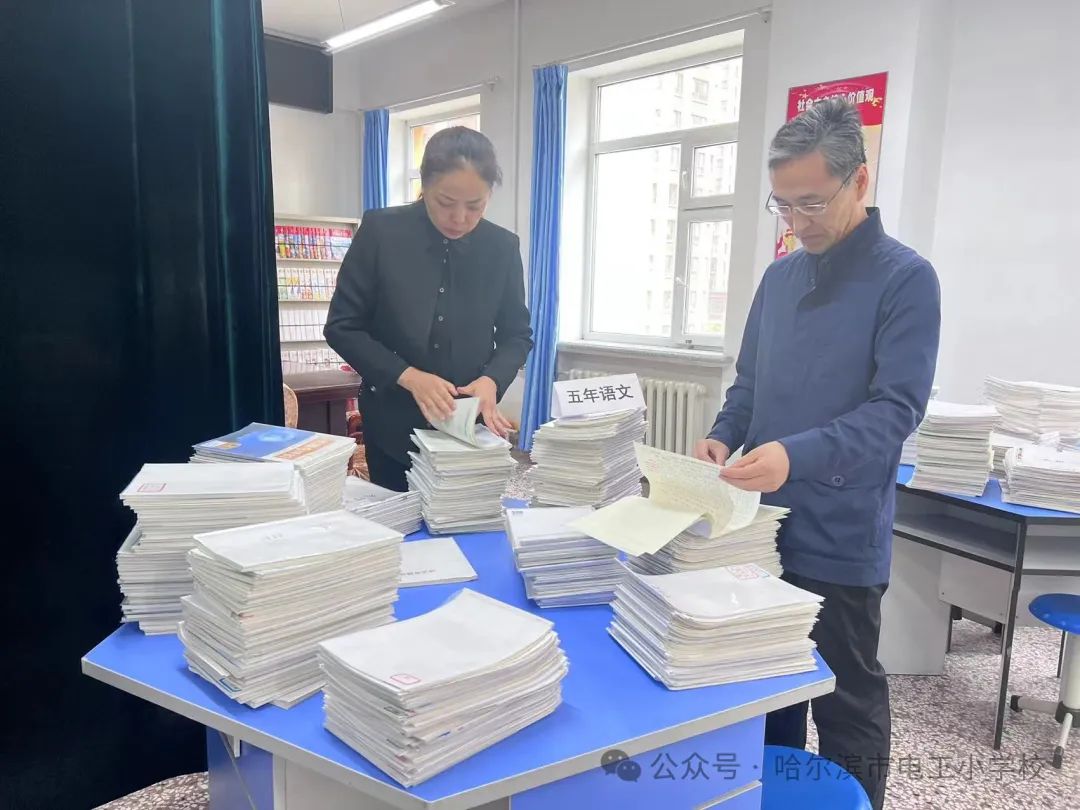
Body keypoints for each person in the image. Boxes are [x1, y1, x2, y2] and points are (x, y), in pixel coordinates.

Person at [693, 98, 940, 809]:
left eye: (811, 203)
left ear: (858, 181)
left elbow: (896, 410)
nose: (797, 223)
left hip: (840, 528)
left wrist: (793, 456)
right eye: (783, 204)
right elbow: (750, 382)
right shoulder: (779, 278)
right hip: (761, 525)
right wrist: (722, 432)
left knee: (844, 696)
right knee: (769, 687)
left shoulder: (905, 279)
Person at [326, 127, 532, 491]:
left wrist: (492, 380)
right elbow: (343, 326)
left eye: (475, 206)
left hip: (467, 426)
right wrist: (408, 375)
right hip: (392, 419)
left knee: (465, 516)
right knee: (396, 517)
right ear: (424, 185)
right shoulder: (381, 232)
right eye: (445, 202)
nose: (459, 217)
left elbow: (517, 334)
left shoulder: (501, 247)